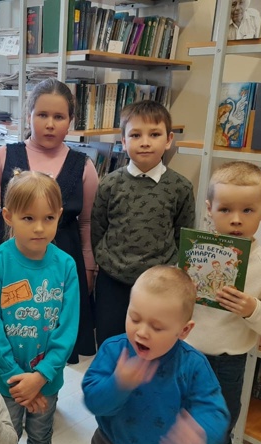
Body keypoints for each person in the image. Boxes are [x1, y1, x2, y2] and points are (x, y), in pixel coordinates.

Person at [0, 78, 98, 364]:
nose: (50, 124)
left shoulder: (84, 167)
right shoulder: (4, 156)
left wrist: (89, 267)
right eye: (42, 115)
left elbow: (87, 222)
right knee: (7, 328)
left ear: (70, 121)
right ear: (28, 116)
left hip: (60, 263)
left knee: (51, 333)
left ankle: (45, 380)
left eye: (59, 117)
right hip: (9, 257)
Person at [185, 161, 261, 444]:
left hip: (226, 364)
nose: (235, 219)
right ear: (209, 209)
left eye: (247, 210)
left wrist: (252, 309)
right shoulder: (194, 253)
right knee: (168, 423)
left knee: (216, 436)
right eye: (225, 209)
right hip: (184, 353)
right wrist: (181, 291)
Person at [0, 170, 79, 444]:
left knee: (40, 439)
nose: (39, 227)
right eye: (28, 218)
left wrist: (41, 376)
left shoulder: (66, 265)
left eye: (49, 218)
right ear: (8, 216)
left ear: (60, 215)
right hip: (5, 382)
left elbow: (67, 329)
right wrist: (16, 379)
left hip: (47, 381)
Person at [82, 266, 230, 444]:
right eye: (134, 318)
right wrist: (119, 384)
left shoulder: (193, 365)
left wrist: (200, 428)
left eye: (157, 327)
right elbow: (93, 402)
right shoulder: (114, 351)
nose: (141, 332)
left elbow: (215, 410)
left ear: (184, 330)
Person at [91, 100, 195, 347]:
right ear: (124, 141)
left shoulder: (180, 187)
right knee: (110, 344)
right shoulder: (109, 184)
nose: (145, 142)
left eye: (154, 134)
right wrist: (105, 262)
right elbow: (97, 227)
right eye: (136, 135)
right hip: (113, 281)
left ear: (168, 140)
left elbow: (184, 235)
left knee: (152, 346)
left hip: (160, 286)